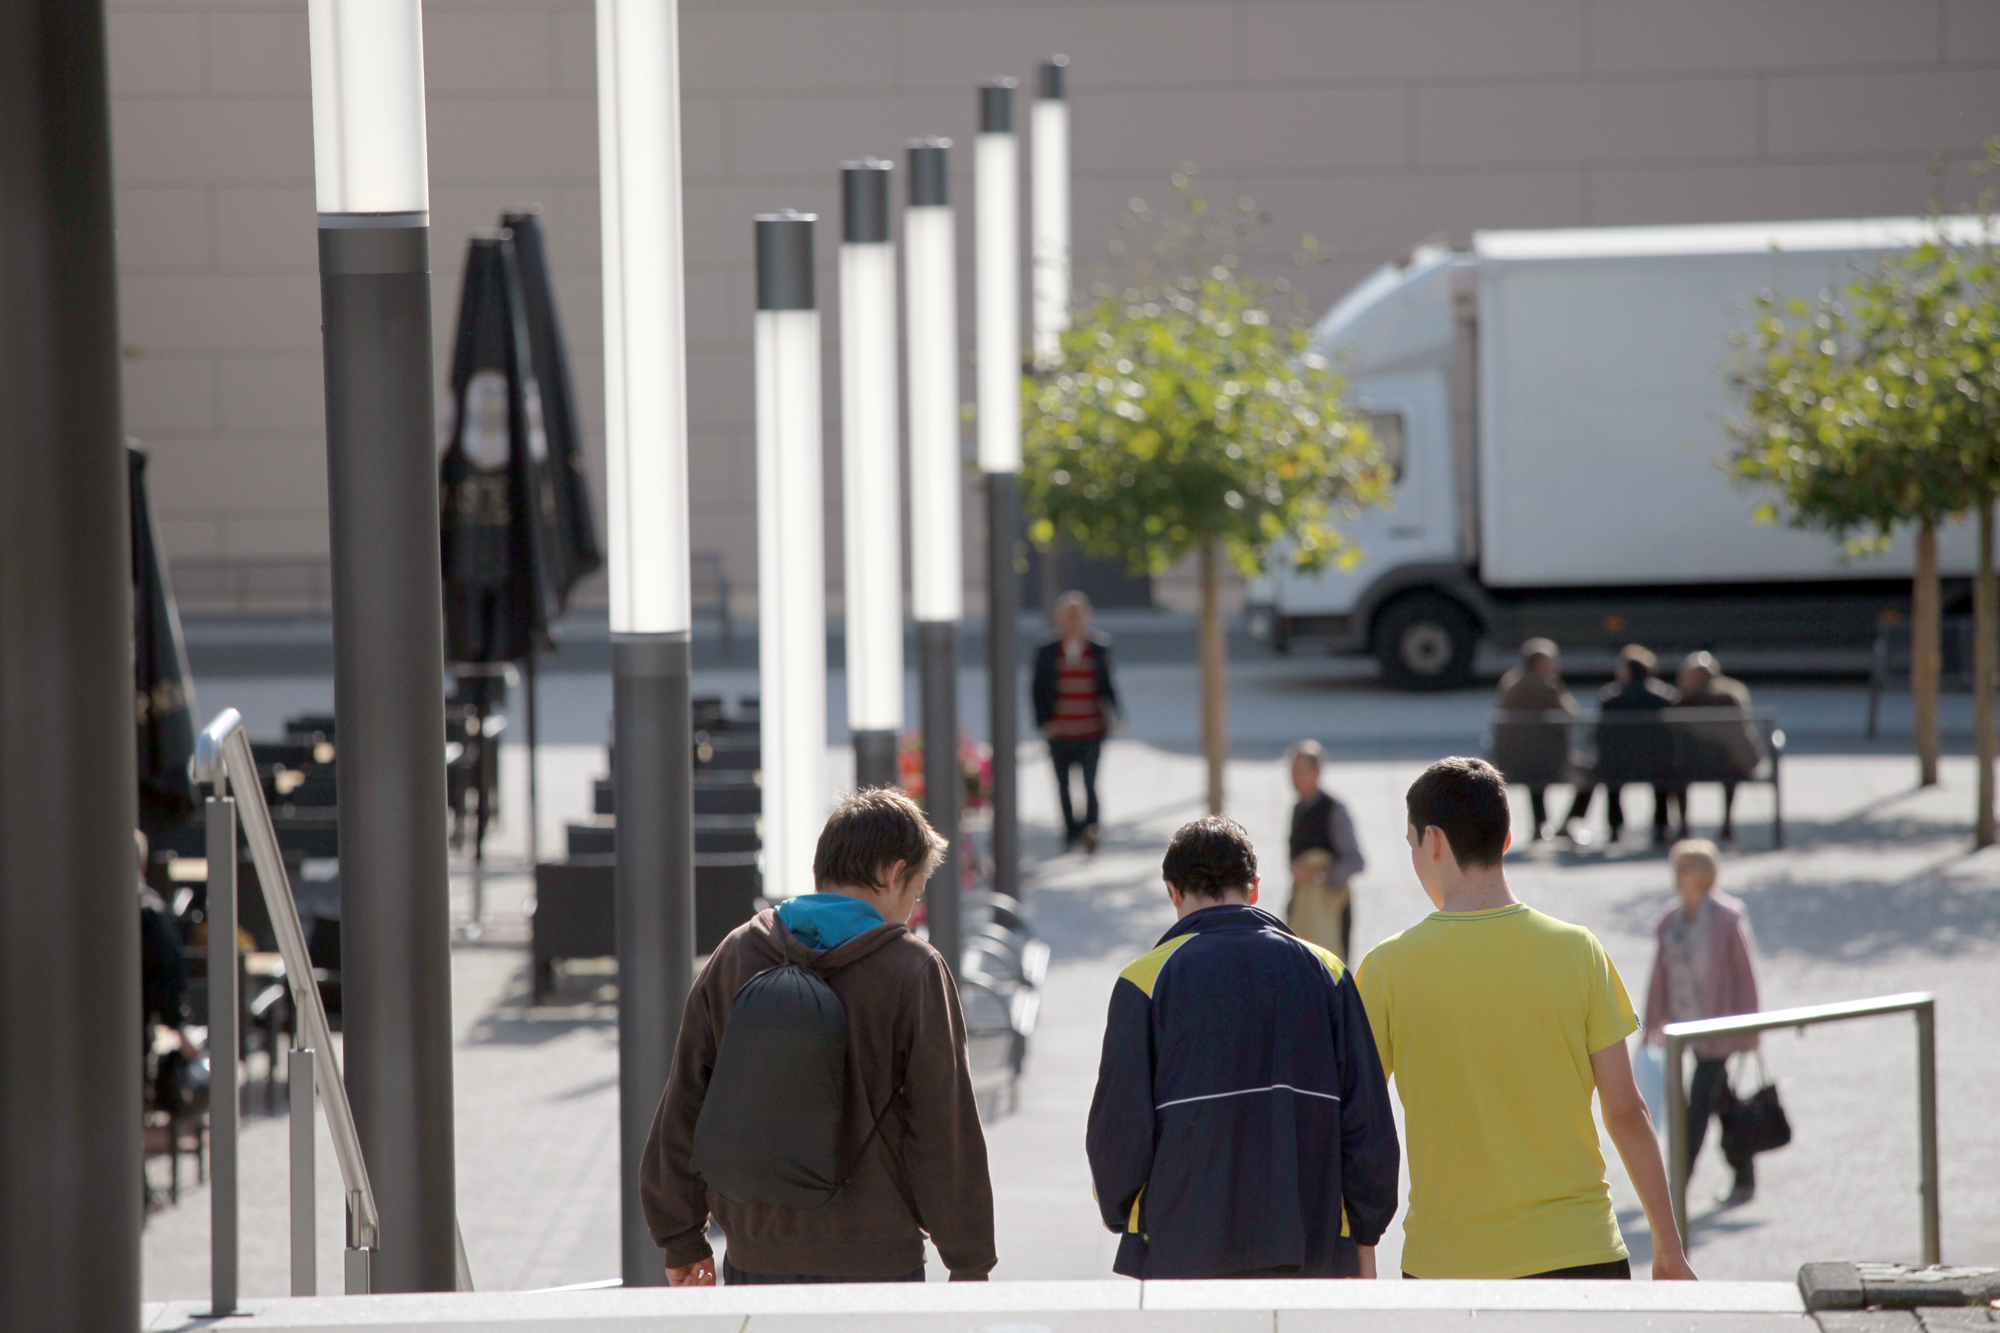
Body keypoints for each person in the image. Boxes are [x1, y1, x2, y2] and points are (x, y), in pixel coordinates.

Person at [1356, 758, 1696, 1281]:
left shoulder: (1386, 969)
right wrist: (1669, 1249)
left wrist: (1358, 1259)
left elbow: (1356, 1124)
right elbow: (1626, 1111)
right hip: (1581, 1252)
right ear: (1507, 838)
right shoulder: (1579, 951)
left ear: (1433, 841)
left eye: (1411, 846)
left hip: (1449, 1265)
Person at [641, 788, 996, 1285]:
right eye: (915, 893)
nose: (911, 911)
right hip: (877, 1266)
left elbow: (686, 1100)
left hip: (755, 1256)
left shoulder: (739, 952)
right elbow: (943, 1126)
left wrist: (680, 1237)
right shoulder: (912, 969)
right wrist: (969, 1259)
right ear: (895, 874)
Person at [1086, 816, 1398, 1279]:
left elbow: (1118, 1134)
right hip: (1310, 1247)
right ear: (1254, 887)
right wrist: (1364, 1233)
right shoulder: (1327, 972)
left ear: (1173, 891)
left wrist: (1123, 1212)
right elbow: (1366, 1122)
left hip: (1182, 1253)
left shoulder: (1145, 981)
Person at [1643, 840, 1763, 1207]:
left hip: (1719, 1029)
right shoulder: (1669, 918)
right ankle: (1744, 1176)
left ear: (1703, 875)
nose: (1678, 876)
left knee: (1696, 1109)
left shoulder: (1728, 917)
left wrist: (1751, 1029)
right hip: (1684, 1027)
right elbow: (1659, 975)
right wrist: (1652, 1022)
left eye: (1685, 868)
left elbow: (1745, 974)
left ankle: (1673, 1187)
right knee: (1721, 1101)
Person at [1559, 644, 1677, 847]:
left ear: (1627, 671)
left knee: (1608, 780)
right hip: (1654, 763)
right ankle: (1660, 827)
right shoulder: (1663, 698)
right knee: (1661, 779)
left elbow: (1602, 734)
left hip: (1617, 763)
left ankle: (1614, 828)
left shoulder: (1611, 698)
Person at [1031, 590, 1120, 854]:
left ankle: (1091, 829)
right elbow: (1037, 689)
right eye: (1068, 615)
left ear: (1087, 616)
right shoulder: (1047, 650)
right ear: (1059, 618)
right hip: (1059, 732)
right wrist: (1043, 723)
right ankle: (1070, 833)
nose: (1073, 620)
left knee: (1090, 784)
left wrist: (1116, 712)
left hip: (1091, 729)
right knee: (1063, 786)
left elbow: (1106, 684)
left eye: (1077, 614)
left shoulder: (1098, 647)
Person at [1490, 638, 1580, 840]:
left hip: (1517, 759)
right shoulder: (1547, 686)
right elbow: (1572, 713)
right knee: (1588, 775)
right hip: (1551, 759)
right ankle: (1567, 822)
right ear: (1541, 664)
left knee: (1535, 778)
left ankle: (1539, 824)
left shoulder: (1511, 683)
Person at [1285, 740, 1365, 960]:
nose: (1294, 777)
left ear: (1317, 772)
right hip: (1302, 905)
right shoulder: (1297, 809)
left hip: (1330, 907)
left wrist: (1320, 873)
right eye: (1292, 770)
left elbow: (1355, 861)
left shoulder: (1334, 810)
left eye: (1301, 770)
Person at [1668, 653, 1759, 844]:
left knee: (1677, 769)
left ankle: (1684, 824)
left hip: (1687, 767)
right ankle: (1727, 823)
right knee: (1731, 766)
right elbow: (1741, 738)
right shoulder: (1729, 699)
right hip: (1726, 766)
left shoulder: (1678, 702)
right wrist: (1752, 760)